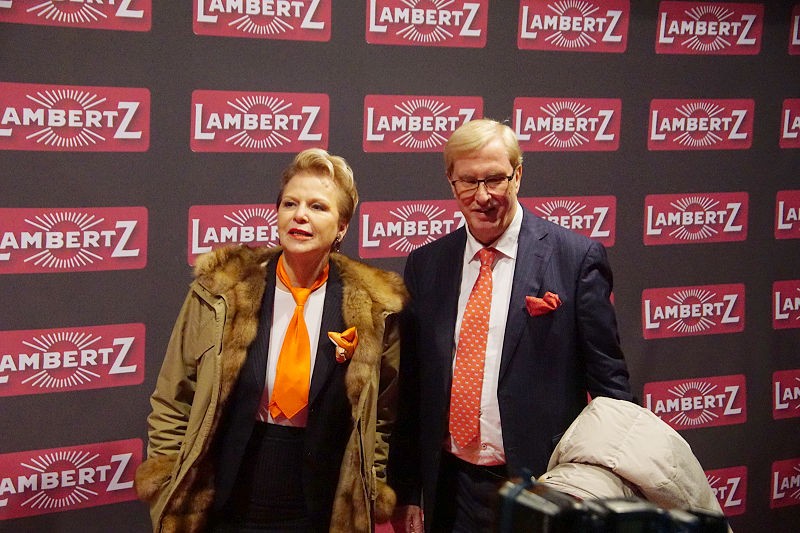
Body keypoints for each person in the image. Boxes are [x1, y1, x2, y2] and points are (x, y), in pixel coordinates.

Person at [134, 148, 409, 533]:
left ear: (342, 227)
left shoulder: (374, 307)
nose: (300, 215)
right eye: (290, 203)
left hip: (320, 507)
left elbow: (382, 414)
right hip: (225, 498)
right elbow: (173, 396)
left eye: (317, 207)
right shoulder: (221, 291)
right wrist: (168, 481)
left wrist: (368, 484)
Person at [388, 118, 633, 532]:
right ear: (451, 182)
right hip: (450, 488)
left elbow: (611, 389)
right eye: (469, 181)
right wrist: (408, 489)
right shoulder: (426, 264)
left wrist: (608, 486)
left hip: (544, 488)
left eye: (495, 179)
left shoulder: (575, 259)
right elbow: (412, 387)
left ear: (517, 175)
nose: (482, 196)